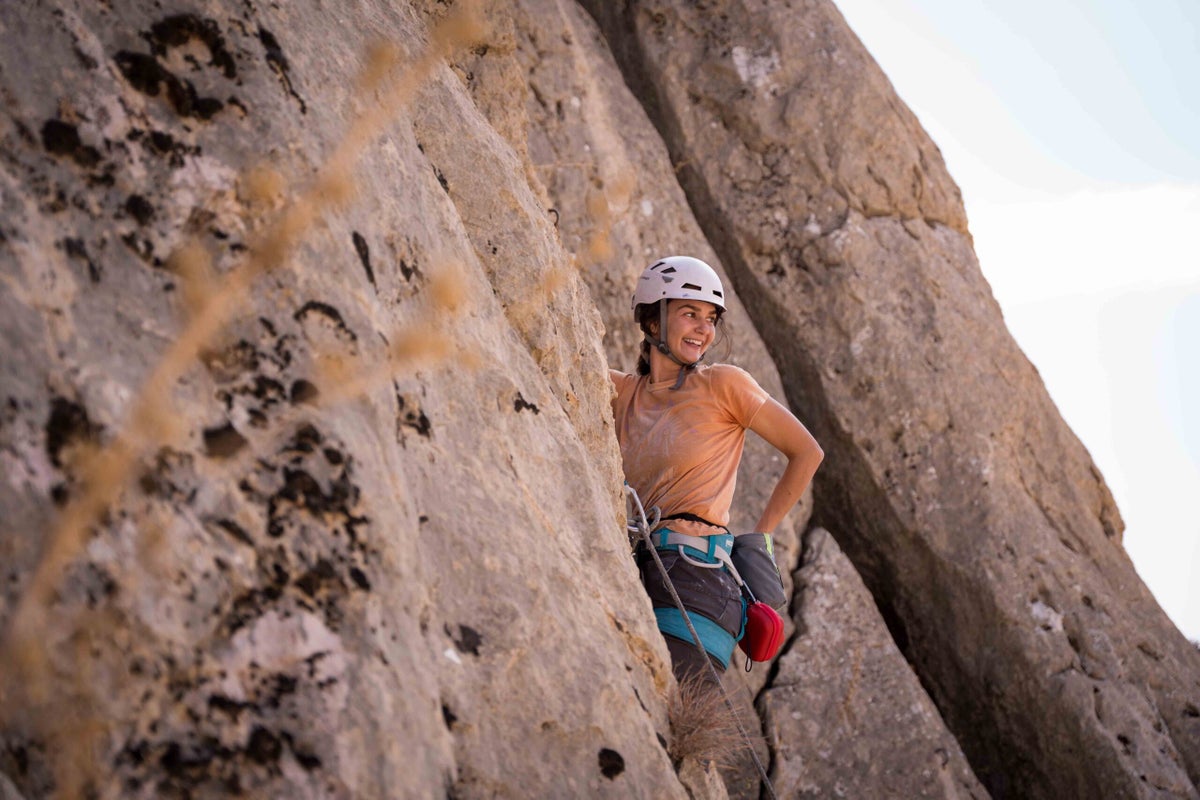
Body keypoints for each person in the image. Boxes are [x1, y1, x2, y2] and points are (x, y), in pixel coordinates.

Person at [610, 256, 824, 684]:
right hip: (636, 564)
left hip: (697, 579)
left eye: (711, 319)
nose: (705, 329)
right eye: (690, 314)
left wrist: (760, 537)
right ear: (653, 322)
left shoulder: (724, 384)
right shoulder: (621, 394)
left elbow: (807, 452)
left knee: (675, 711)